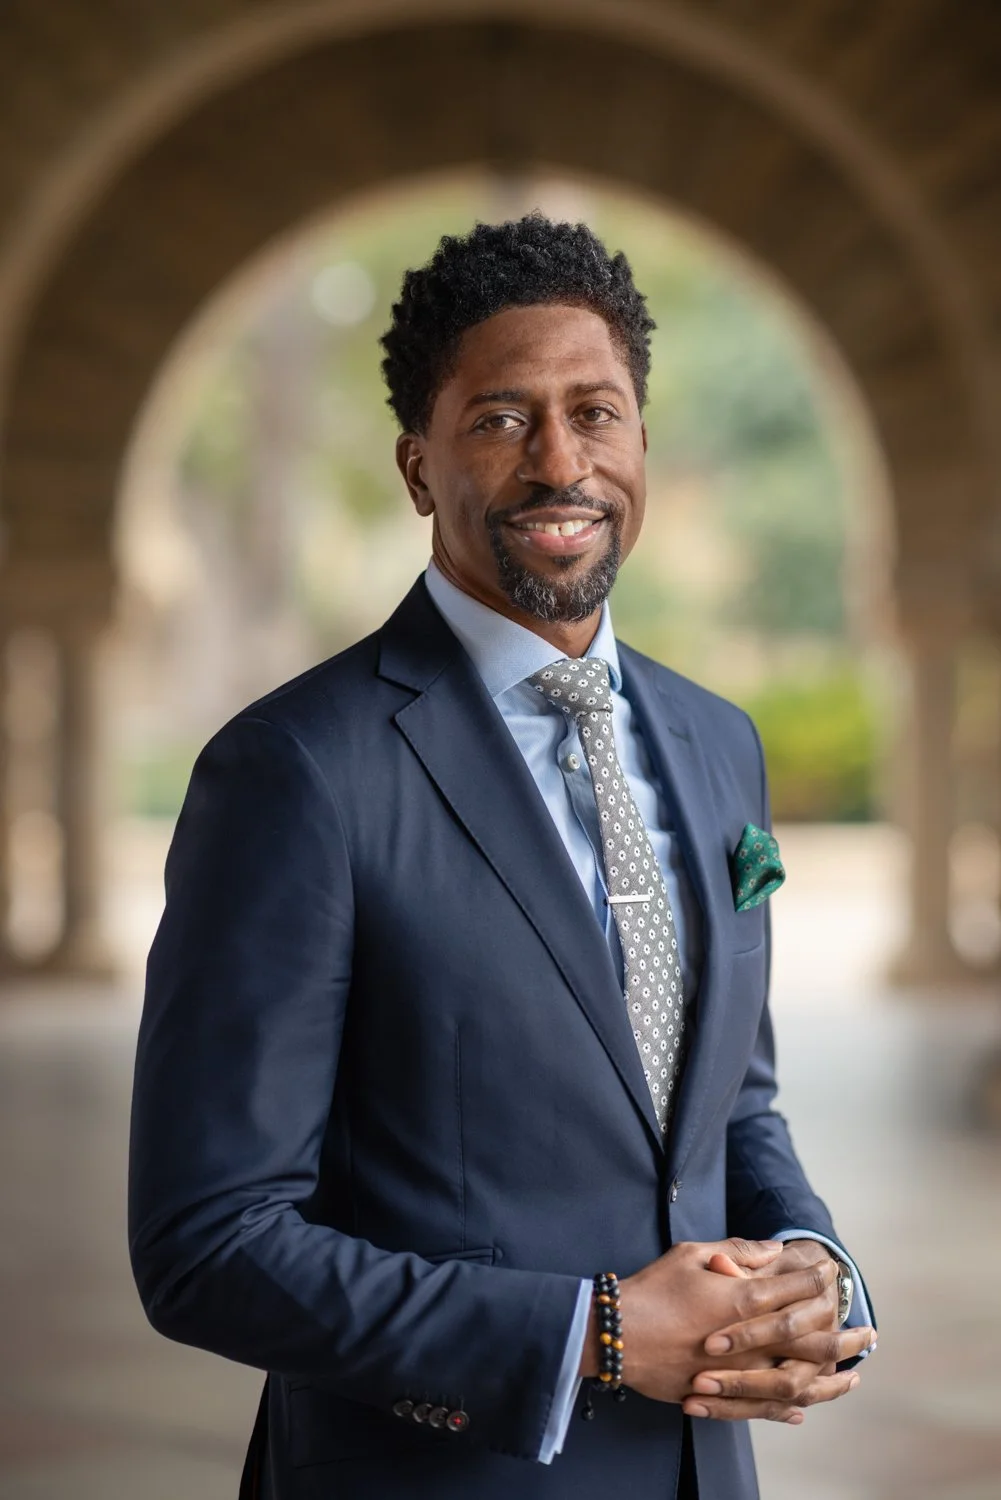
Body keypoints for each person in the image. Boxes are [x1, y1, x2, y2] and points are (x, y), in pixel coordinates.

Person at [129, 214, 875, 1500]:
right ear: (418, 468)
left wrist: (810, 1262)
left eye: (594, 413)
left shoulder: (716, 743)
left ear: (640, 442)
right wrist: (590, 1336)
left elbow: (728, 1108)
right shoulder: (296, 771)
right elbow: (207, 1242)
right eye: (499, 419)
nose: (558, 462)